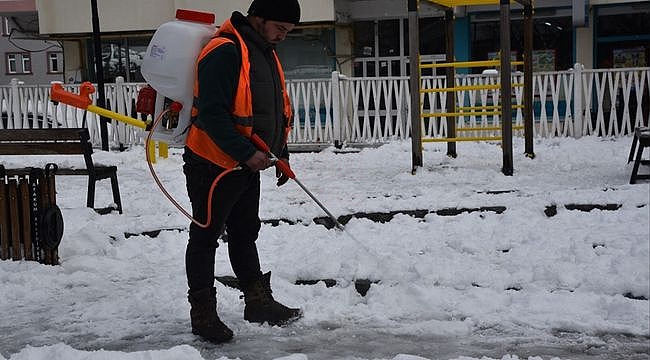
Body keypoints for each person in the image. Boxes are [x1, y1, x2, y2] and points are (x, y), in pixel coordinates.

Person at [182, 0, 302, 344]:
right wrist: (246, 153)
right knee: (205, 237)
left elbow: (269, 111)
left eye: (288, 32)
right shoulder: (225, 51)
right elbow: (212, 113)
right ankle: (203, 314)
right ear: (258, 18)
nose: (283, 36)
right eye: (280, 28)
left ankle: (257, 302)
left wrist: (281, 154)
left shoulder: (263, 50)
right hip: (212, 163)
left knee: (244, 231)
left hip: (246, 162)